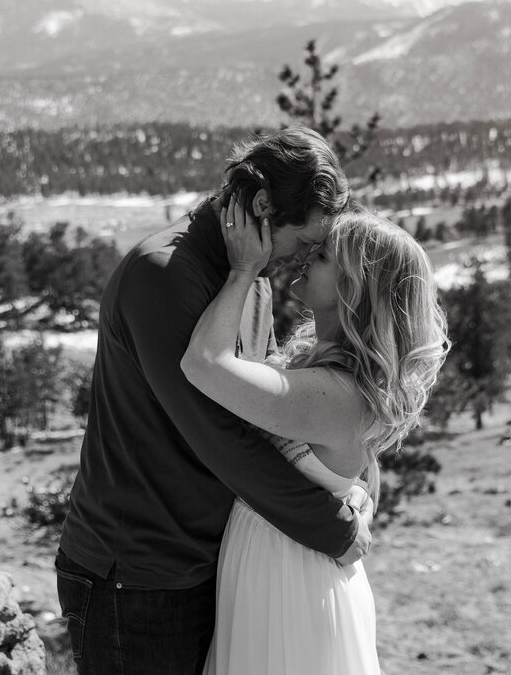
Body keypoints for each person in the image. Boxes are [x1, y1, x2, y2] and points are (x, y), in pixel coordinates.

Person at [55, 127, 374, 675]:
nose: (300, 261)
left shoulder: (246, 276)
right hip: (135, 573)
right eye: (302, 242)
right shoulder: (163, 276)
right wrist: (333, 527)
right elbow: (220, 438)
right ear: (261, 206)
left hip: (198, 562)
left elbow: (269, 415)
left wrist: (354, 482)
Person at [182, 202, 449, 674]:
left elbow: (203, 363)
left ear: (355, 287)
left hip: (291, 585)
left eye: (323, 256)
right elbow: (356, 471)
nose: (306, 257)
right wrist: (359, 495)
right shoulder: (335, 378)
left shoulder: (335, 394)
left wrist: (245, 269)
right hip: (282, 568)